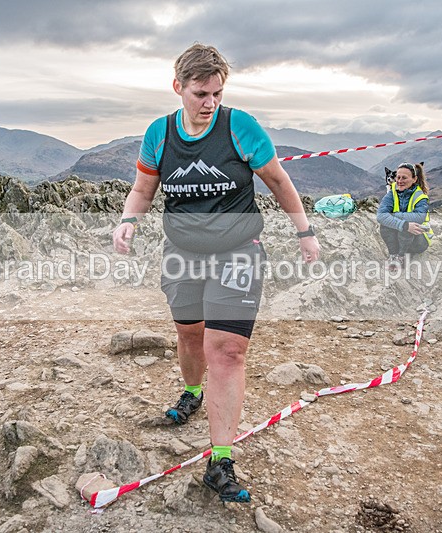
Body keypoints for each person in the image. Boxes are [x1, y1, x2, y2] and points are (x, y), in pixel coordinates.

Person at [112, 44, 320, 503]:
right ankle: (191, 391)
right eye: (200, 93)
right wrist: (128, 220)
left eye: (217, 93)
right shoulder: (160, 133)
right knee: (190, 335)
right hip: (182, 253)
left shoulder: (240, 127)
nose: (210, 103)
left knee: (226, 350)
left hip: (238, 251)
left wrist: (304, 230)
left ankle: (220, 458)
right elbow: (144, 187)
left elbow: (279, 180)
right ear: (178, 88)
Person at [376, 162, 432, 271]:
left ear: (414, 179)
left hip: (419, 240)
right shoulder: (392, 193)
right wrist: (403, 224)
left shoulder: (420, 196)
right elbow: (381, 216)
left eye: (404, 178)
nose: (400, 181)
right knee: (386, 226)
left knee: (409, 227)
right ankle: (393, 255)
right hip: (400, 235)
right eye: (398, 177)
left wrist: (393, 216)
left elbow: (419, 217)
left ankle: (401, 257)